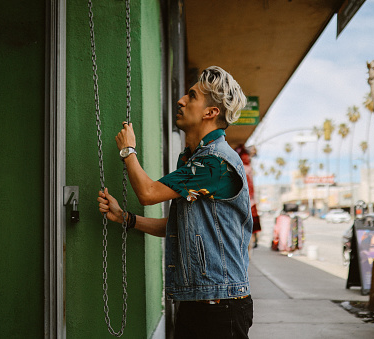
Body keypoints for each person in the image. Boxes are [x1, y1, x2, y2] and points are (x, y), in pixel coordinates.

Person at [97, 66, 254, 339]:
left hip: (219, 308)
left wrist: (128, 151)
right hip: (199, 304)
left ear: (210, 112)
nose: (181, 100)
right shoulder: (195, 159)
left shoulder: (215, 162)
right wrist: (125, 218)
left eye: (191, 96)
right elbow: (178, 226)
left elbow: (147, 193)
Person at [235, 145, 262, 251]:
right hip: (247, 198)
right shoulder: (243, 166)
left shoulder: (244, 166)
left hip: (249, 198)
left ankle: (250, 244)